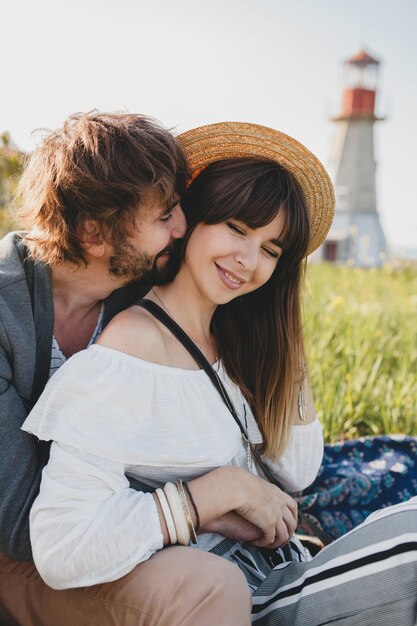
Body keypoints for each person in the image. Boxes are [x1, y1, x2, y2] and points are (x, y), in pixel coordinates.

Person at [22, 122, 417, 625]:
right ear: (192, 220)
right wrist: (215, 494)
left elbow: (298, 469)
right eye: (236, 228)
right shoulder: (131, 351)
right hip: (230, 598)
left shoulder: (232, 335)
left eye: (272, 251)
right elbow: (64, 545)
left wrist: (287, 343)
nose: (249, 261)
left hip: (284, 571)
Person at [0, 113, 251, 626]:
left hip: (96, 541)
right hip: (21, 556)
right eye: (164, 217)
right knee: (206, 589)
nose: (181, 228)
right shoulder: (5, 316)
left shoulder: (137, 296)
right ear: (94, 233)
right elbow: (24, 525)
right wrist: (208, 499)